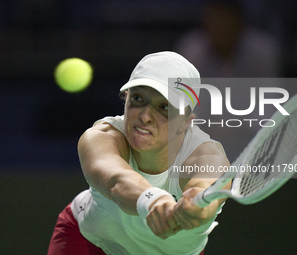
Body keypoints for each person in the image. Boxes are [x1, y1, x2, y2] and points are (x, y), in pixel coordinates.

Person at [47, 51, 230, 255]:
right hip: (92, 242)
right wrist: (154, 201)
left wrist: (196, 208)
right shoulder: (102, 137)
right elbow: (117, 180)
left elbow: (207, 192)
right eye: (137, 98)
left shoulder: (208, 156)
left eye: (164, 107)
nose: (145, 116)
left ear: (187, 121)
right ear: (125, 99)